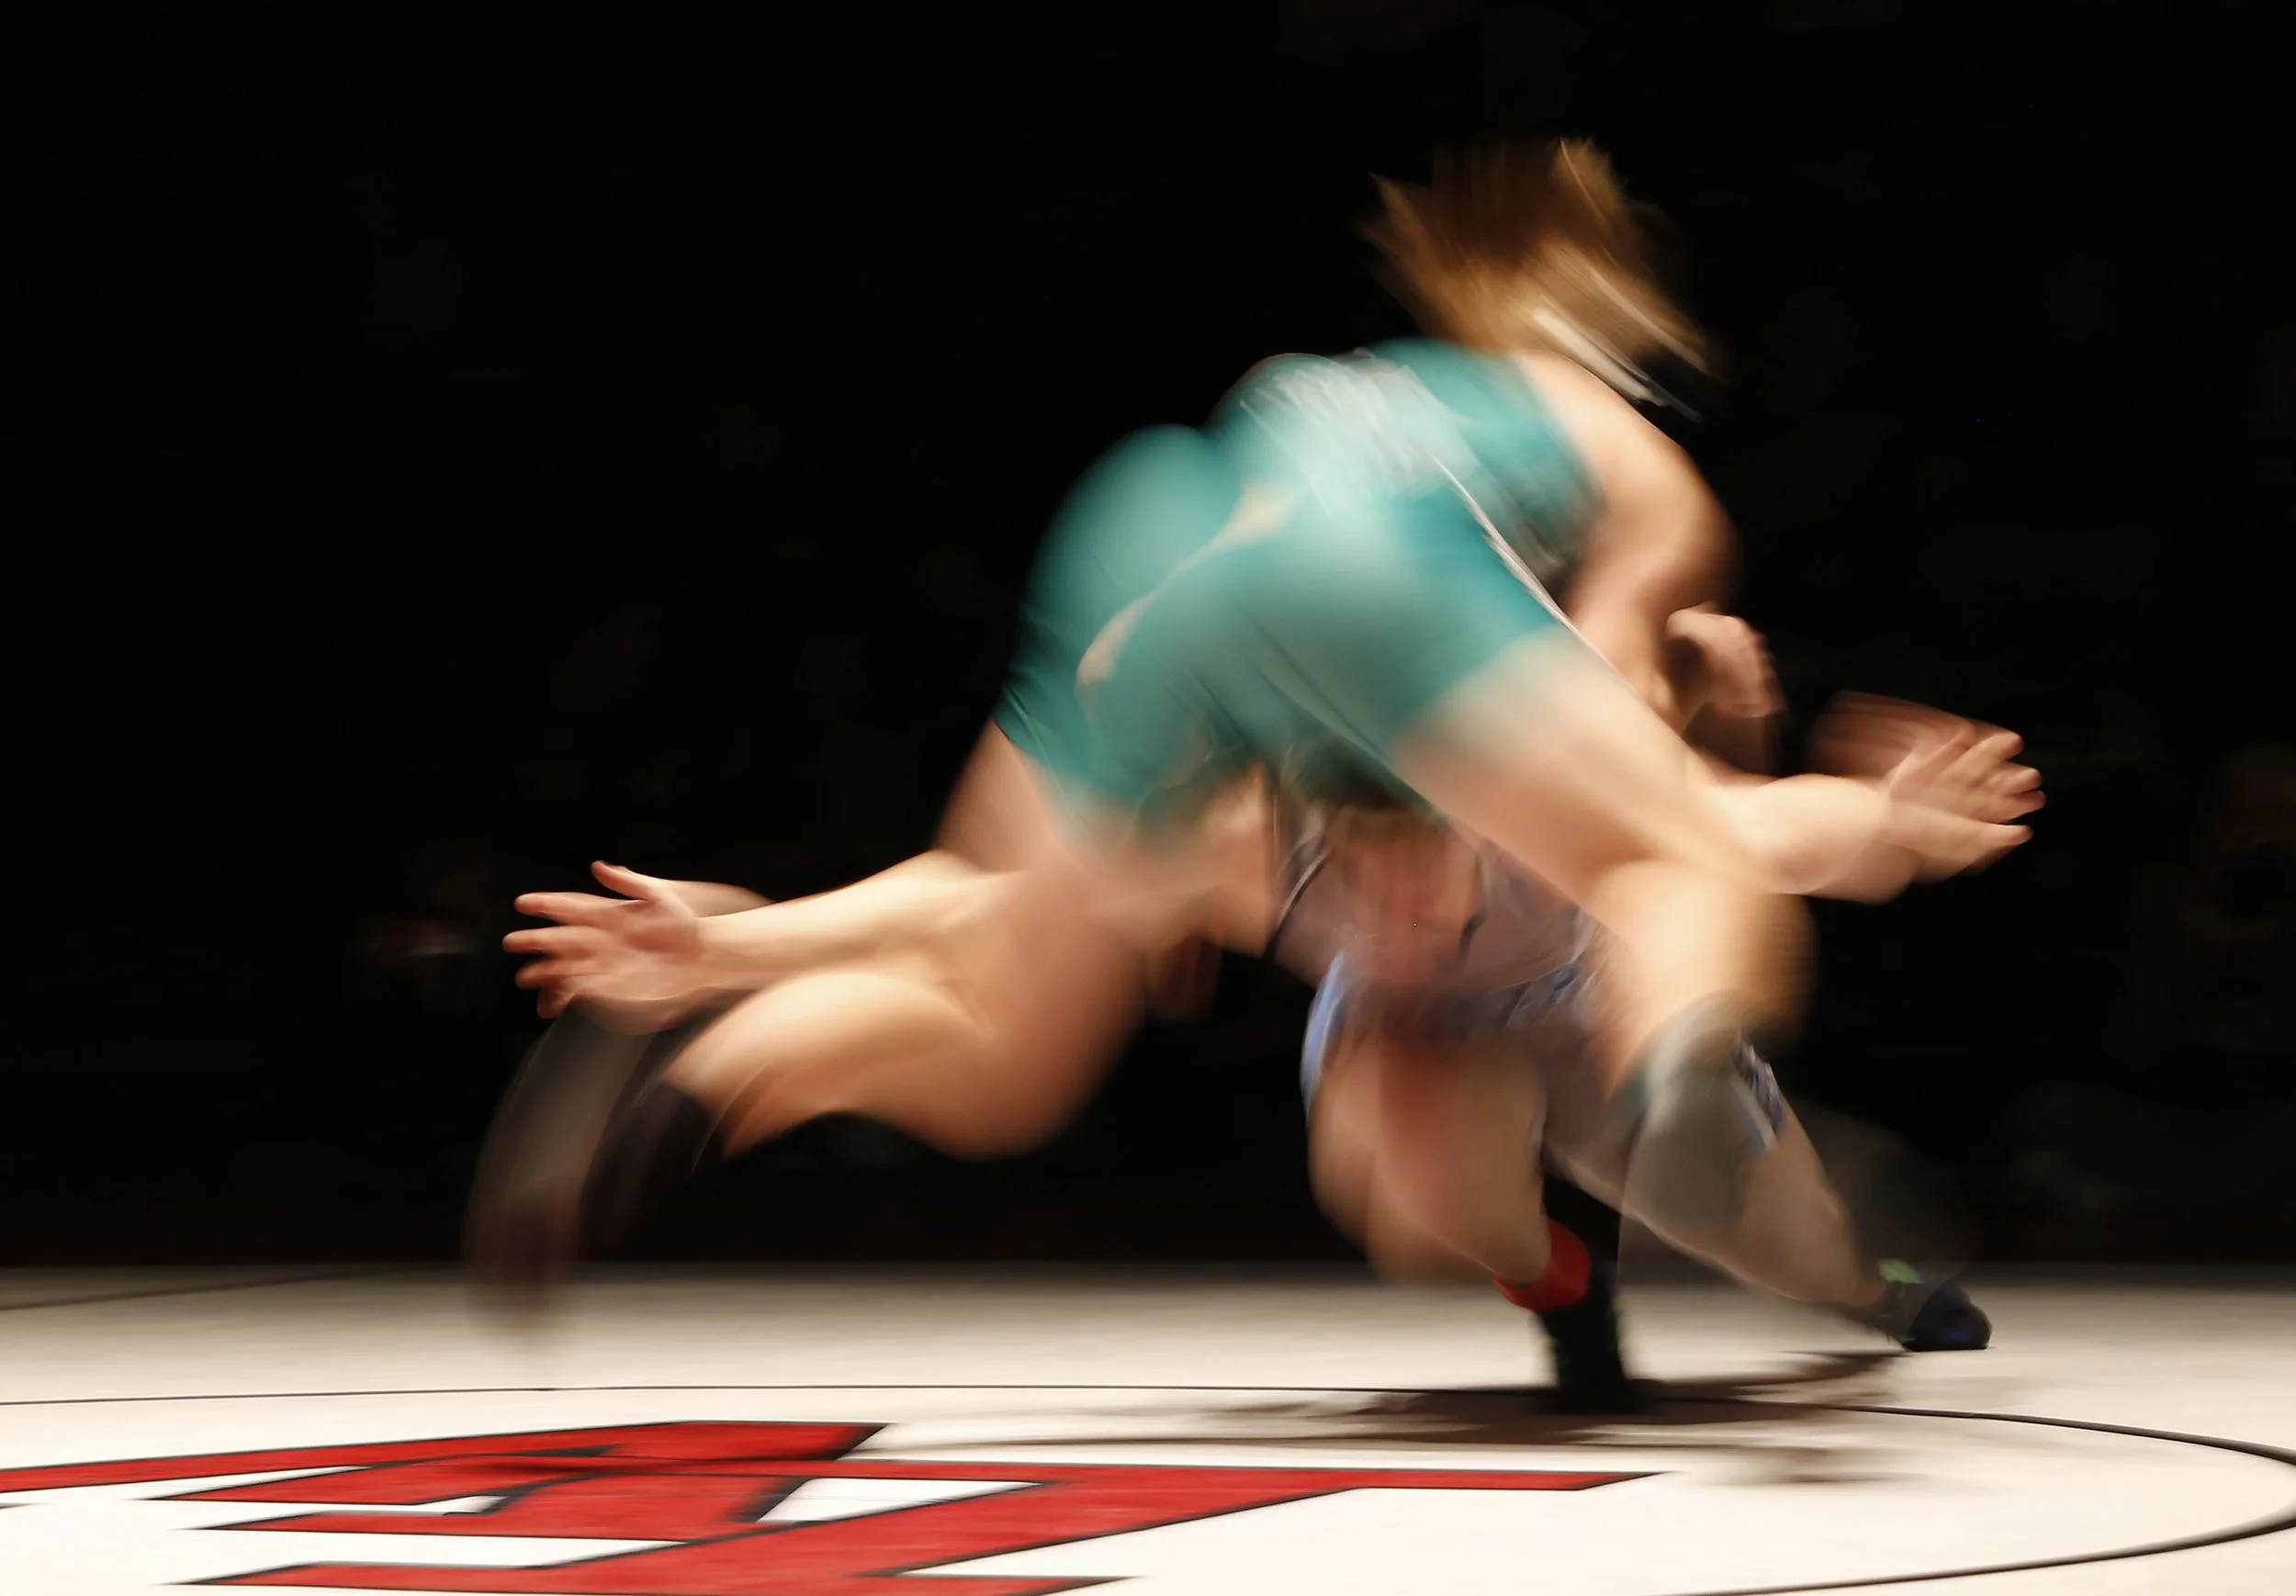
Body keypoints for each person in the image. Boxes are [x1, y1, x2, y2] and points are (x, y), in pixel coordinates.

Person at [476, 141, 2038, 1358]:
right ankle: (1560, 1277)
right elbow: (984, 903)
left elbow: (1738, 827)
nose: (1404, 884)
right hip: (1305, 631)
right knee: (1413, 1166)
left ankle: (1825, 1236)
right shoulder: (1275, 795)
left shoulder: (1526, 684)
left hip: (1486, 843)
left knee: (1762, 1167)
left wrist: (1869, 819)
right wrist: (728, 951)